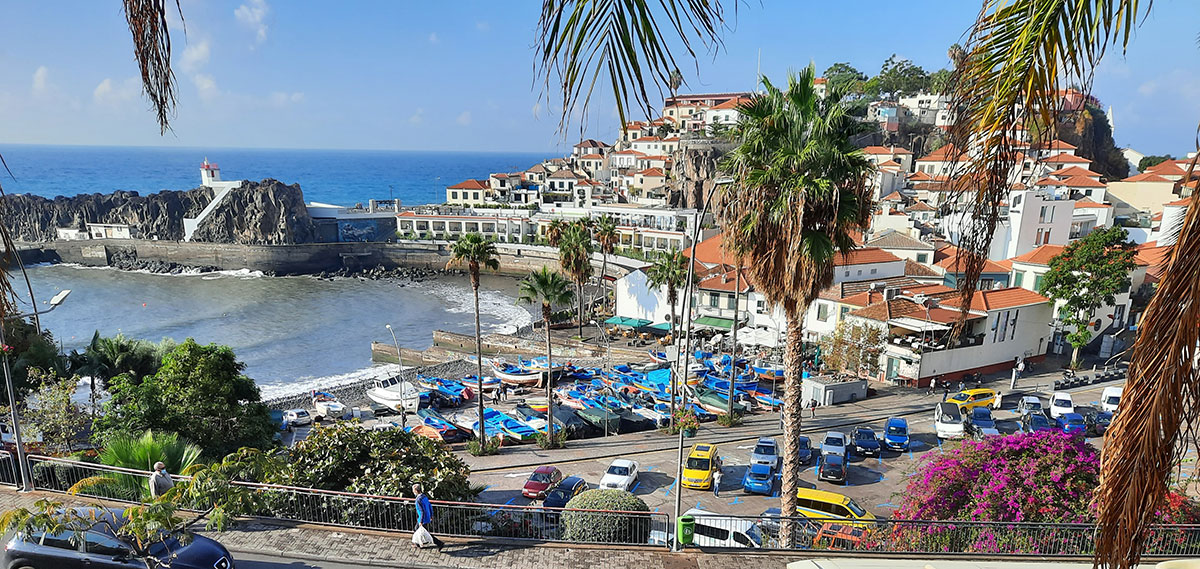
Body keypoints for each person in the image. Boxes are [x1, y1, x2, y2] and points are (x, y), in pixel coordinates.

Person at [412, 483, 444, 551]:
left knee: (420, 531)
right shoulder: (424, 496)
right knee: (418, 530)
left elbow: (421, 511)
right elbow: (429, 506)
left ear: (416, 491)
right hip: (427, 517)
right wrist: (431, 515)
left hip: (422, 519)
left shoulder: (418, 500)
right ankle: (419, 543)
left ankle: (439, 543)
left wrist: (420, 521)